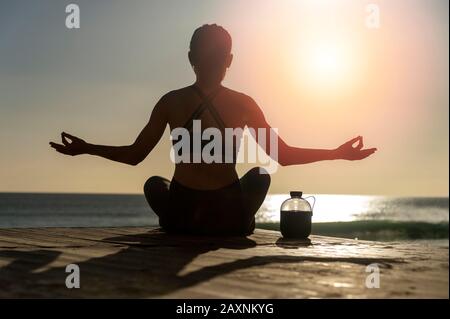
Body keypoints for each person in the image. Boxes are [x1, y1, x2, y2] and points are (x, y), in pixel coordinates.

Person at [50, 24, 377, 236]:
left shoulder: (171, 101)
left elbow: (136, 156)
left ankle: (180, 223)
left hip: (181, 215)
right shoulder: (244, 103)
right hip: (229, 215)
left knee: (154, 184)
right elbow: (283, 156)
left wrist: (87, 148)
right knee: (261, 174)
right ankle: (242, 222)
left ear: (191, 57)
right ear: (229, 60)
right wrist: (337, 154)